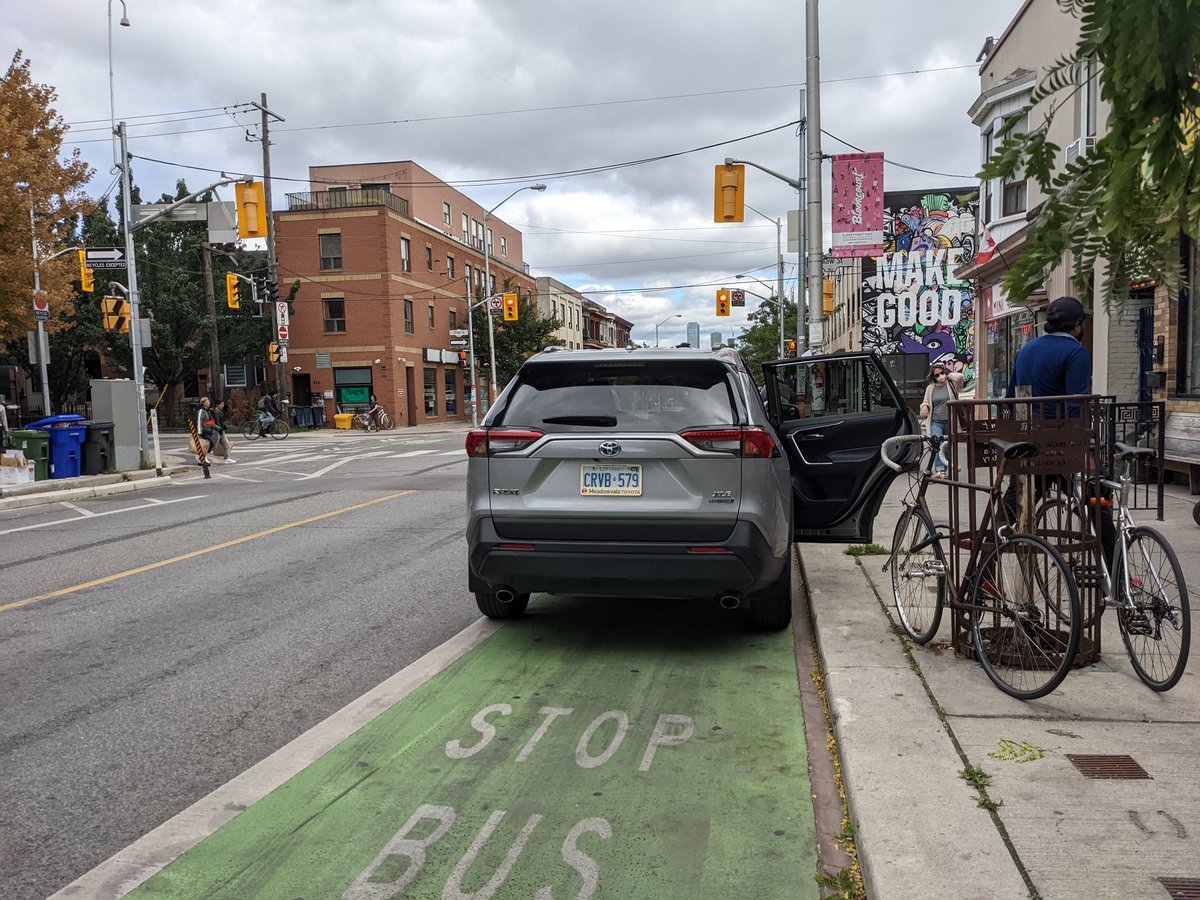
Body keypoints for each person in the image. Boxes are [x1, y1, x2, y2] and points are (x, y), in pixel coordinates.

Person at [919, 363, 964, 476]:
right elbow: (926, 401)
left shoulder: (951, 384)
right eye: (937, 375)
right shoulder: (930, 388)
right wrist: (924, 406)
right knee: (937, 444)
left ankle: (946, 466)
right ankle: (940, 470)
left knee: (947, 446)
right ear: (933, 377)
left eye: (942, 373)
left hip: (950, 421)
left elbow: (960, 377)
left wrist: (947, 373)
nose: (940, 376)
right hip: (936, 421)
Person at [211, 398, 235, 463]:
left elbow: (221, 421)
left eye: (223, 404)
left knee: (227, 445)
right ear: (217, 405)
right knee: (213, 445)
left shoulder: (219, 411)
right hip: (217, 431)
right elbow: (217, 422)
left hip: (221, 431)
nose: (223, 405)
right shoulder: (215, 412)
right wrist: (220, 430)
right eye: (221, 404)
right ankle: (202, 456)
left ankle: (226, 459)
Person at [195, 397, 219, 463]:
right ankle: (201, 456)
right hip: (203, 431)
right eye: (207, 401)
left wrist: (218, 428)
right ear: (203, 403)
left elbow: (211, 422)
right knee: (212, 443)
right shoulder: (201, 411)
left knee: (208, 445)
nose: (209, 402)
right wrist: (199, 432)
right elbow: (199, 421)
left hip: (209, 431)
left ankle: (203, 456)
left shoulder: (207, 411)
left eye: (209, 401)